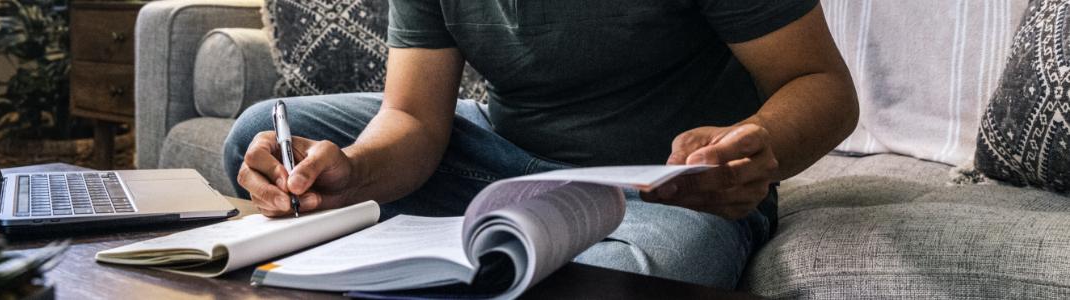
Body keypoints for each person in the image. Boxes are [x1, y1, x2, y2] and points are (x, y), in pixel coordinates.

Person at [223, 0, 856, 289]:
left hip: (666, 194)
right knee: (256, 139)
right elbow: (414, 117)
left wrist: (755, 145)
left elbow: (822, 85)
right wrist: (353, 171)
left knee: (627, 279)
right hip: (503, 160)